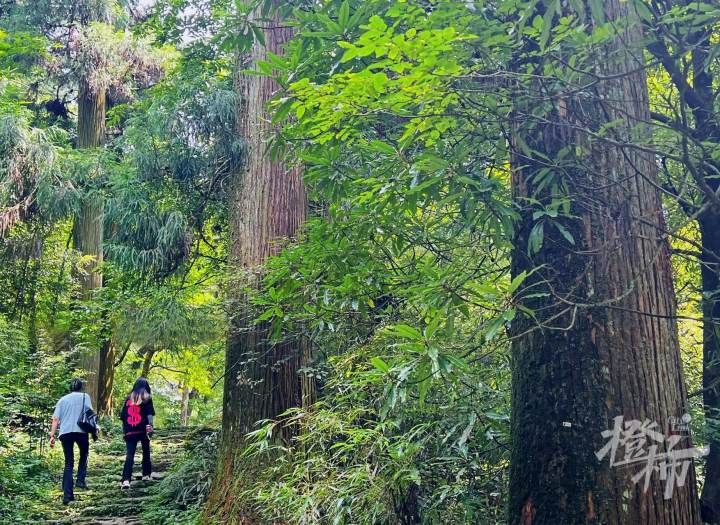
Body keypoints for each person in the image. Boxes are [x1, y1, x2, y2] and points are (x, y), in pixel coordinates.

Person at [49, 378, 93, 505]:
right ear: (81, 387)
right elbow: (89, 413)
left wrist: (52, 436)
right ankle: (80, 479)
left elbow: (55, 419)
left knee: (69, 463)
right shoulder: (85, 396)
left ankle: (67, 496)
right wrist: (95, 428)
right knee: (84, 454)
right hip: (81, 432)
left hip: (66, 432)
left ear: (70, 388)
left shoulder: (62, 400)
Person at [119, 377, 157, 488]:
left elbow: (123, 416)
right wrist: (151, 428)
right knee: (146, 451)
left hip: (130, 431)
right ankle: (146, 474)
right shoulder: (147, 398)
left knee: (129, 455)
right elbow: (149, 416)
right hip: (142, 430)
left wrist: (124, 431)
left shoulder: (128, 399)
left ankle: (126, 480)